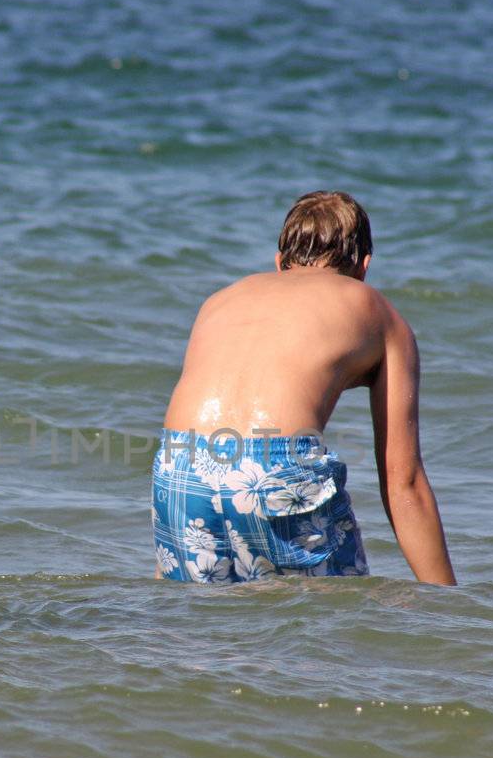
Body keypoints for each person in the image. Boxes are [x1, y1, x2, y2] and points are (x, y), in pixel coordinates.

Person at [153, 191, 455, 585]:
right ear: (363, 268)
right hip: (274, 467)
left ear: (280, 264)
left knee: (202, 626)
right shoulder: (375, 310)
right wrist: (453, 609)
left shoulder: (221, 299)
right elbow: (404, 482)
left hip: (179, 463)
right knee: (336, 622)